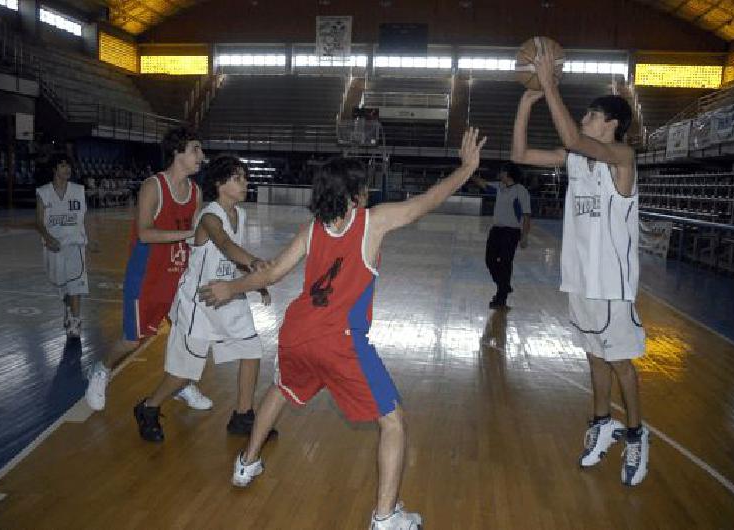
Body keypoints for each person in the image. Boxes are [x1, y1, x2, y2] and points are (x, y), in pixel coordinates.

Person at [197, 128, 486, 529]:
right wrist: (466, 168)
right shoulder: (372, 222)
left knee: (281, 390)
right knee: (394, 423)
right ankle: (385, 517)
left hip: (296, 333)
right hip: (340, 342)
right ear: (354, 195)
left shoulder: (311, 229)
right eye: (363, 189)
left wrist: (232, 287)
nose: (367, 195)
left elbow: (273, 274)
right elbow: (424, 204)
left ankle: (246, 464)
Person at [511, 41, 648, 486]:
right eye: (585, 114)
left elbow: (571, 137)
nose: (585, 120)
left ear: (612, 125)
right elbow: (520, 156)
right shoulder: (577, 159)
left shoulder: (622, 159)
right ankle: (600, 423)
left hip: (612, 283)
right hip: (580, 279)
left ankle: (635, 435)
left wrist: (549, 84)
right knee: (593, 356)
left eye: (591, 115)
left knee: (621, 362)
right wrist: (526, 101)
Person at [133, 156, 274, 442]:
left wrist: (253, 282)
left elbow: (231, 255)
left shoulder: (240, 214)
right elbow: (225, 244)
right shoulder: (209, 216)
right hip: (199, 302)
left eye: (244, 177)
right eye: (238, 178)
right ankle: (148, 407)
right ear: (221, 184)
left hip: (228, 296)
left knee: (252, 350)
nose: (245, 182)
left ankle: (242, 416)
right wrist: (255, 262)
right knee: (184, 374)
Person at [85, 126, 211, 412]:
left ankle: (181, 383)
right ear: (177, 152)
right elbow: (144, 233)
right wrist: (189, 234)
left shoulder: (196, 191)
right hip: (147, 277)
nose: (201, 156)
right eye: (196, 149)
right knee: (132, 340)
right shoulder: (153, 186)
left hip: (178, 277)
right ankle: (101, 369)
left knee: (186, 334)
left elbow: (193, 239)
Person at [35, 156, 96, 339]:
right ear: (54, 169)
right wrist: (47, 237)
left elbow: (85, 217)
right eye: (62, 165)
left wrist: (92, 238)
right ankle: (68, 308)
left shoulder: (78, 190)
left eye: (69, 165)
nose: (67, 168)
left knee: (76, 286)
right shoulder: (43, 192)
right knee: (63, 289)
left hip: (75, 246)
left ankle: (75, 322)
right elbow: (39, 221)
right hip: (53, 247)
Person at [473, 162, 532, 309]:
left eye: (502, 171)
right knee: (489, 260)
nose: (500, 174)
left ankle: (501, 298)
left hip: (511, 232)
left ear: (508, 174)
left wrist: (524, 236)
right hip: (496, 230)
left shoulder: (521, 191)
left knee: (505, 263)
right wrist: (469, 172)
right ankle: (504, 285)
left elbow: (526, 215)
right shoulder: (499, 187)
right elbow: (483, 184)